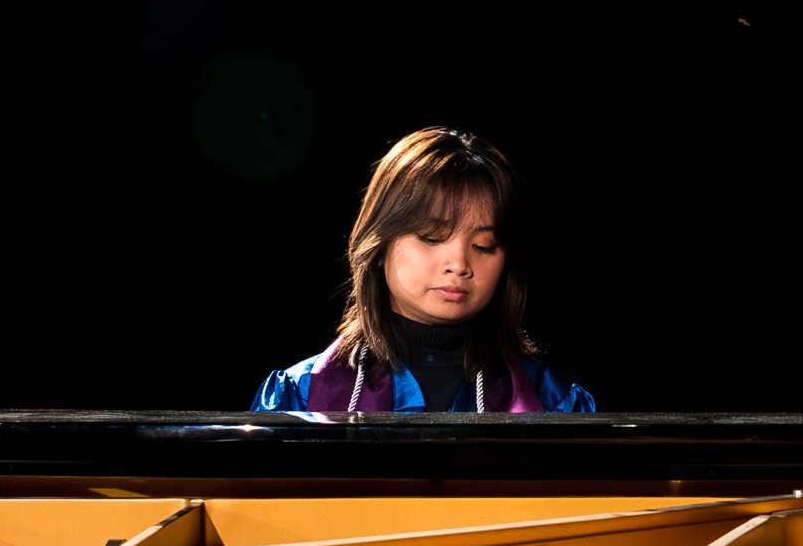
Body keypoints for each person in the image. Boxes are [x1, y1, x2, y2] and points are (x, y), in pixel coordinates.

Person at [250, 126, 596, 414]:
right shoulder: (299, 399)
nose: (459, 265)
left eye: (484, 246)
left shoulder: (552, 403)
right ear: (380, 242)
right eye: (432, 237)